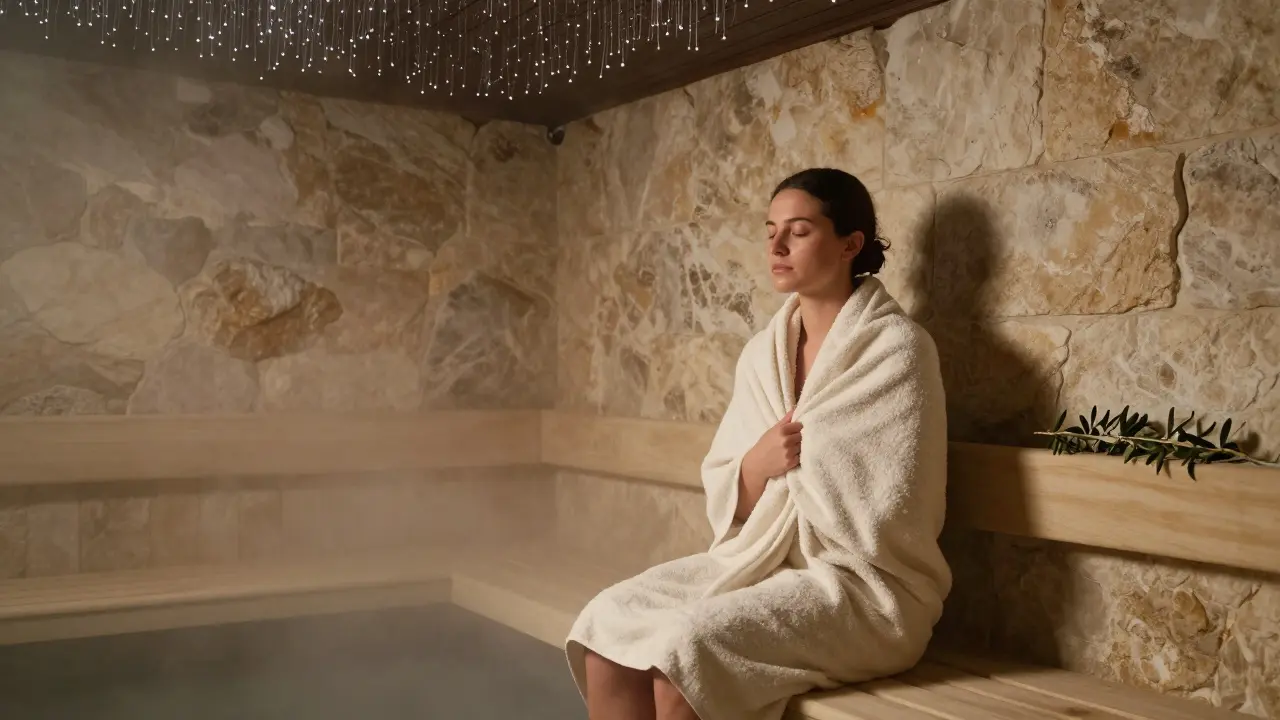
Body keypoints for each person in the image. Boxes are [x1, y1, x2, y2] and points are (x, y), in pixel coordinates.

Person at [564, 168, 953, 720]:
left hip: (864, 589)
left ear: (850, 243)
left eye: (798, 231)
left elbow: (894, 506)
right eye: (770, 229)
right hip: (759, 561)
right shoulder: (762, 355)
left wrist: (802, 465)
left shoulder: (897, 350)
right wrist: (755, 464)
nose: (775, 246)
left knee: (685, 654)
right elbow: (733, 490)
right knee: (607, 626)